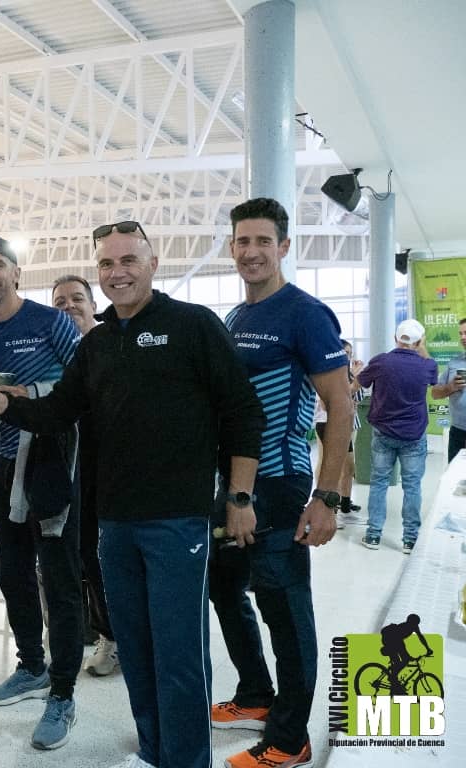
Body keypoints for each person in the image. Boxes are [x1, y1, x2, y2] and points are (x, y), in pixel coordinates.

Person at [0, 219, 264, 768]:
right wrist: (2, 402)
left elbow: (243, 413)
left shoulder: (192, 324)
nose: (116, 273)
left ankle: (185, 759)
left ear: (152, 264)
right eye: (106, 264)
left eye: (128, 261)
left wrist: (239, 498)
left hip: (177, 521)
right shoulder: (96, 343)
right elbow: (58, 411)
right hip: (114, 524)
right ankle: (152, 750)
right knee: (136, 649)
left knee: (179, 653)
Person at [209, 198, 353, 768]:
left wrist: (327, 497)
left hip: (282, 482)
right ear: (232, 247)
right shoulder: (236, 318)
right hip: (236, 485)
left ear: (284, 247)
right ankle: (255, 695)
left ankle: (291, 739)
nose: (252, 252)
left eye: (263, 241)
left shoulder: (305, 314)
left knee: (284, 610)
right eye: (243, 241)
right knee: (225, 589)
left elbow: (341, 407)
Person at [0, 236, 84, 751]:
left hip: (53, 459)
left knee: (59, 579)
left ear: (16, 273)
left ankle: (63, 693)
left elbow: (84, 386)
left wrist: (20, 395)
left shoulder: (51, 322)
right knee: (13, 572)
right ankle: (32, 666)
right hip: (6, 461)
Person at [51, 275, 116, 676]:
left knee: (101, 558)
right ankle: (81, 630)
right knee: (71, 555)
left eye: (77, 299)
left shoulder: (110, 345)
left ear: (93, 305)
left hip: (108, 472)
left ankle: (114, 636)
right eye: (60, 302)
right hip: (67, 469)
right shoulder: (55, 353)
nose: (69, 306)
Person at [357, 318, 438, 554]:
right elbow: (432, 379)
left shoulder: (381, 361)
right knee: (412, 486)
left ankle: (373, 535)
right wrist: (421, 347)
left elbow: (359, 383)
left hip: (383, 433)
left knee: (379, 483)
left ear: (395, 338)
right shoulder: (427, 366)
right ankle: (410, 540)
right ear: (420, 341)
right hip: (414, 436)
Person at [313, 339, 365, 527]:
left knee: (348, 467)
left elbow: (356, 400)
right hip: (328, 423)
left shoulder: (348, 373)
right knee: (330, 465)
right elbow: (327, 404)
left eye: (349, 353)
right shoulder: (326, 372)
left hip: (345, 424)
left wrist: (356, 381)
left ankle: (344, 506)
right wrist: (354, 385)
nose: (347, 356)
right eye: (344, 353)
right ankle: (327, 508)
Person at [429, 317, 466, 462]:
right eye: (460, 333)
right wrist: (450, 387)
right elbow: (435, 393)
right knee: (455, 474)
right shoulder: (454, 363)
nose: (463, 337)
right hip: (458, 432)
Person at [379, 613, 433, 694]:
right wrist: (408, 655)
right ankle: (393, 680)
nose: (416, 626)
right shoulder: (403, 627)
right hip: (389, 640)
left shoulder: (413, 627)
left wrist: (428, 649)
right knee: (400, 661)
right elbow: (399, 644)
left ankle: (394, 683)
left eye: (417, 624)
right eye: (415, 624)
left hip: (396, 642)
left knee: (403, 661)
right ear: (410, 622)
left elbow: (421, 637)